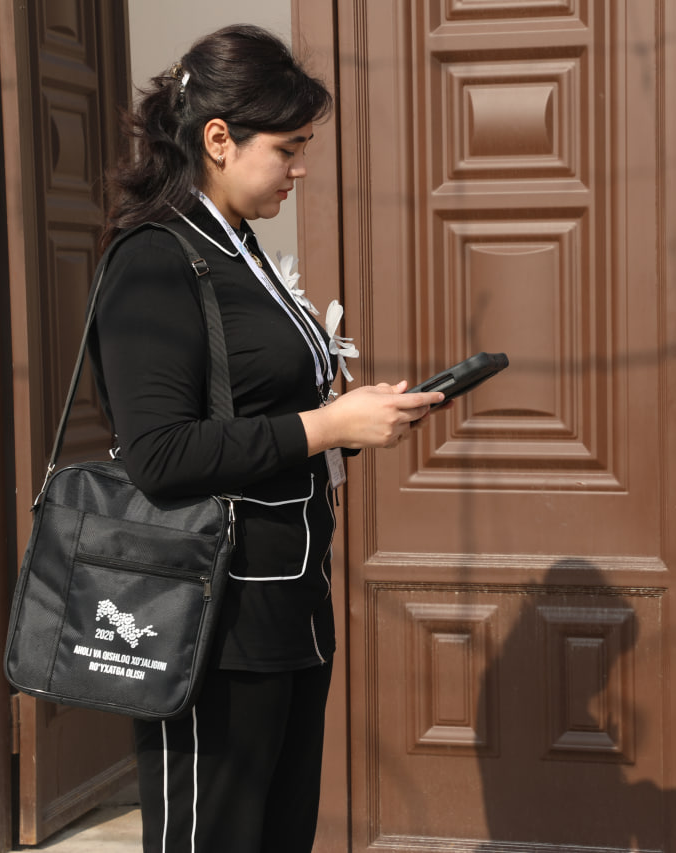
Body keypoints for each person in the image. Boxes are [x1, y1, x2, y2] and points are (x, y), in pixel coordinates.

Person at [89, 25, 444, 852]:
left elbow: (258, 410)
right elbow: (160, 455)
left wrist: (355, 421)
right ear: (219, 138)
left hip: (288, 605)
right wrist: (326, 425)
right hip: (208, 622)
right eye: (287, 148)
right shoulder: (154, 259)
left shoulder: (239, 249)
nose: (300, 167)